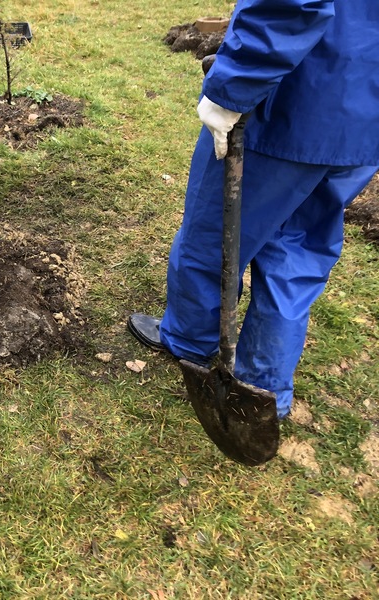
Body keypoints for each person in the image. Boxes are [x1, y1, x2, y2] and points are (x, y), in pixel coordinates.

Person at [128, 0, 379, 419]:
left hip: (294, 103)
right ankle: (262, 385)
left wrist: (232, 90)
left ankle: (189, 339)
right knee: (299, 246)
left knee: (217, 231)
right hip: (365, 108)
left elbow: (291, 6)